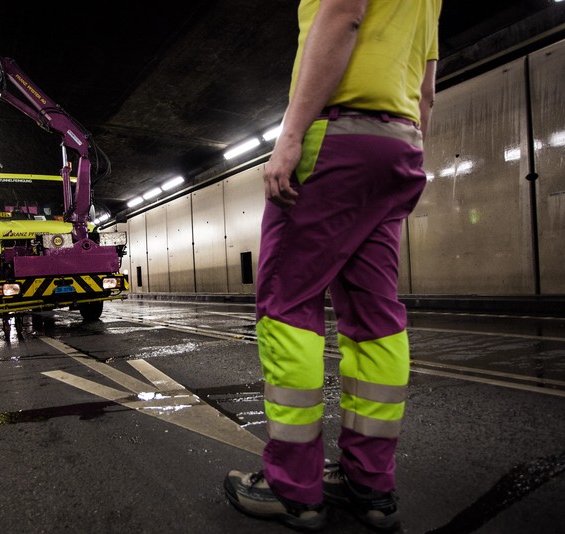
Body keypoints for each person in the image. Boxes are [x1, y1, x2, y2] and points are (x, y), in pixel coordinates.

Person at [224, 0, 440, 531]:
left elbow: (343, 13)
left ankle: (293, 489)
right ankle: (370, 484)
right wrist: (404, 150)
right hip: (400, 146)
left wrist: (292, 133)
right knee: (376, 319)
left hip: (337, 136)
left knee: (288, 303)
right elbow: (427, 88)